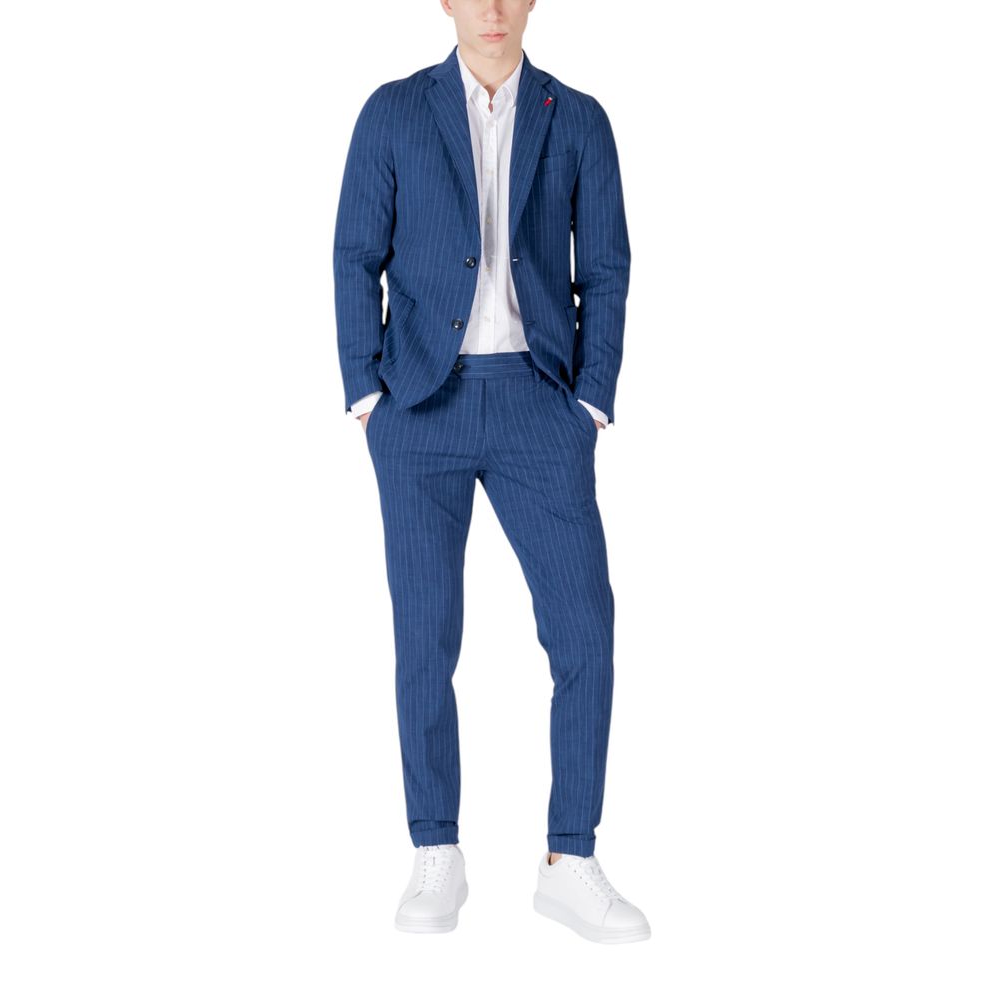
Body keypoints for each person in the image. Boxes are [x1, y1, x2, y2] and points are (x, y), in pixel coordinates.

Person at [334, 1, 648, 944]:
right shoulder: (393, 112)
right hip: (418, 406)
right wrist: (367, 395)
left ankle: (570, 858)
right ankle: (436, 849)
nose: (493, 9)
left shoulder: (577, 118)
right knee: (425, 638)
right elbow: (355, 254)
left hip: (538, 404)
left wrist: (590, 401)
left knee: (584, 631)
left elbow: (608, 266)